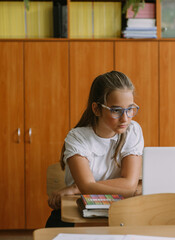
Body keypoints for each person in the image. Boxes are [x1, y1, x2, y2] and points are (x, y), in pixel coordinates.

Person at [46, 71, 144, 227]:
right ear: (97, 109)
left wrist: (76, 188)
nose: (125, 118)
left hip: (118, 211)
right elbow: (89, 186)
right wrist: (82, 188)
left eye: (130, 109)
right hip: (78, 210)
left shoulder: (133, 130)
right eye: (116, 110)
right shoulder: (77, 138)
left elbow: (129, 183)